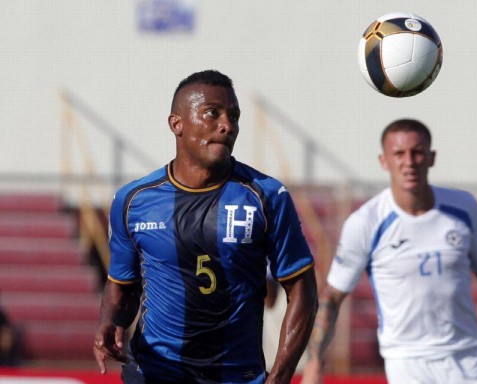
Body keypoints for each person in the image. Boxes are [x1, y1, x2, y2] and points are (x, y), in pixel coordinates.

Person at [93, 70, 318, 384]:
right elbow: (123, 284)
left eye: (234, 116)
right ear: (177, 124)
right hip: (157, 373)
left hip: (236, 376)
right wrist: (110, 320)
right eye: (212, 113)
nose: (227, 125)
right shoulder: (133, 200)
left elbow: (303, 289)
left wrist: (280, 376)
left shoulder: (266, 196)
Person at [301, 119, 477, 384]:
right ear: (384, 161)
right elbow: (332, 298)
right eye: (399, 154)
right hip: (408, 363)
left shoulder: (464, 208)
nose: (409, 161)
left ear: (431, 157)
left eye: (418, 151)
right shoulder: (366, 222)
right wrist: (314, 363)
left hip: (468, 358)